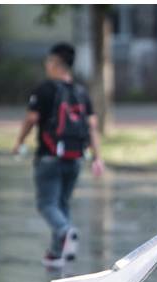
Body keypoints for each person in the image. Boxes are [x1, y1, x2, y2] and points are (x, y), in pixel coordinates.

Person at [12, 42, 105, 268]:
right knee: (61, 203)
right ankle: (56, 253)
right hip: (75, 157)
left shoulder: (45, 89)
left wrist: (19, 141)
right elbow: (92, 126)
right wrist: (97, 157)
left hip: (49, 157)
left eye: (48, 62)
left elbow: (32, 118)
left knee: (46, 204)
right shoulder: (81, 92)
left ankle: (65, 232)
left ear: (55, 63)